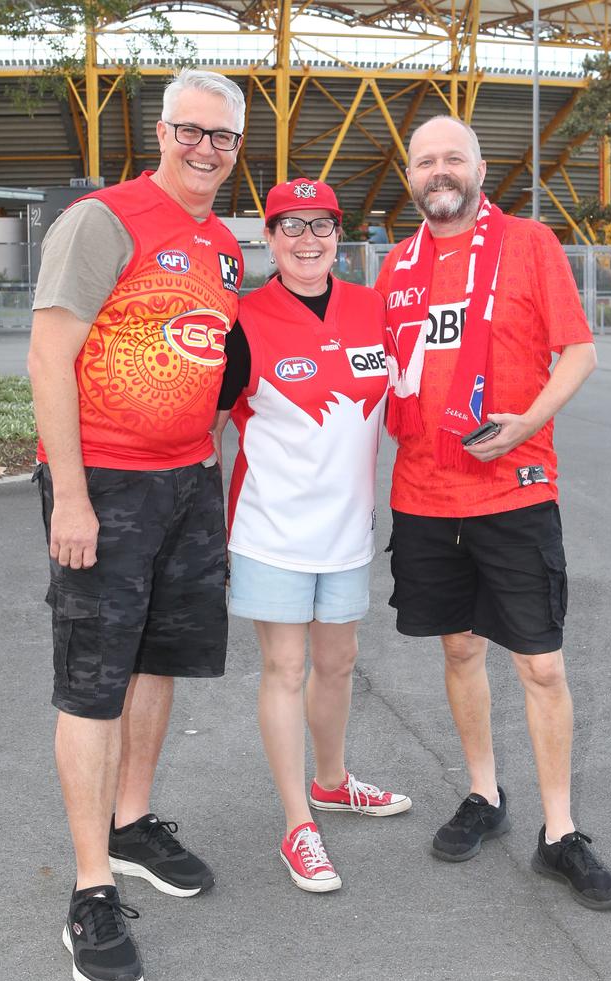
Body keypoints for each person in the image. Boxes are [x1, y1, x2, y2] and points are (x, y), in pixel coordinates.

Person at [27, 69, 246, 981]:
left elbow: (217, 358)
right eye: (192, 131)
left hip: (189, 480)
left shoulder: (223, 244)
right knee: (92, 681)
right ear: (162, 132)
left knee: (160, 661)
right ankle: (89, 890)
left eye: (224, 137)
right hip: (105, 484)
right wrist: (70, 496)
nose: (206, 149)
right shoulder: (104, 220)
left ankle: (132, 821)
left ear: (238, 150)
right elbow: (48, 354)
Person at [375, 116, 611, 910]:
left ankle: (561, 833)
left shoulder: (529, 244)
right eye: (425, 161)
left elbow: (578, 350)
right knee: (457, 650)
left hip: (514, 488)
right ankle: (485, 794)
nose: (439, 171)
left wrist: (526, 423)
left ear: (480, 169)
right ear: (411, 177)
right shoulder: (397, 266)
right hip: (424, 494)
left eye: (453, 157)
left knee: (541, 664)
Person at [213, 178, 411, 894]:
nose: (306, 240)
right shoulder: (244, 318)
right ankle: (299, 824)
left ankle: (331, 781)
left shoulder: (373, 308)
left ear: (338, 234)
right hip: (271, 530)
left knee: (338, 662)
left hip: (348, 532)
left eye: (320, 226)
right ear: (268, 239)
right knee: (286, 669)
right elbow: (202, 419)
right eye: (290, 227)